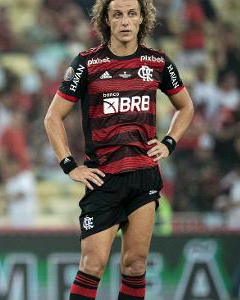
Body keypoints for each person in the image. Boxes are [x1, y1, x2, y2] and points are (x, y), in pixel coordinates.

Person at [44, 0, 194, 299]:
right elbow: (52, 117)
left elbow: (185, 106)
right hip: (103, 181)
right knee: (92, 264)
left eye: (131, 14)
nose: (125, 21)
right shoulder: (87, 63)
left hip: (143, 177)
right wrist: (69, 165)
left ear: (142, 20)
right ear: (107, 21)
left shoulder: (157, 62)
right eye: (117, 15)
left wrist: (168, 143)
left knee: (135, 265)